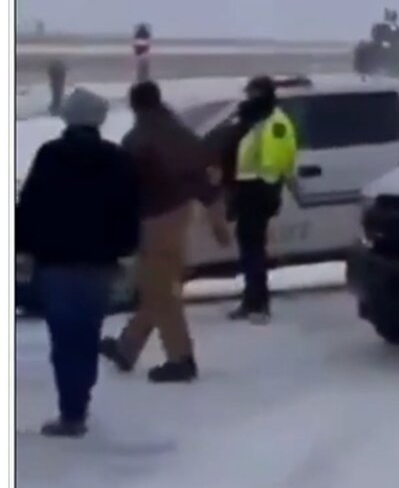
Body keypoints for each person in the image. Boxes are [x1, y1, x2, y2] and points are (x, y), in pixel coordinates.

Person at [16, 88, 141, 437]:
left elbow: (31, 205)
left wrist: (22, 247)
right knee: (87, 336)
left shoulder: (51, 156)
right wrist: (124, 248)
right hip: (100, 262)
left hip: (56, 261)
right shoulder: (117, 160)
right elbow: (130, 209)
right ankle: (79, 405)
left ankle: (69, 411)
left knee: (63, 338)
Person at [99, 81, 230, 383]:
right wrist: (215, 220)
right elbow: (202, 176)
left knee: (161, 290)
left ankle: (180, 358)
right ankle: (127, 347)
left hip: (154, 219)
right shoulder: (180, 132)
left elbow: (124, 190)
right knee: (156, 285)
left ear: (134, 106)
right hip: (181, 213)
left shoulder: (138, 139)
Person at [226, 75, 299, 324]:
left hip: (260, 191)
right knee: (249, 249)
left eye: (253, 93)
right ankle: (251, 300)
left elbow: (282, 158)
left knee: (254, 249)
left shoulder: (274, 122)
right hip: (248, 190)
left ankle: (259, 303)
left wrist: (272, 183)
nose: (249, 97)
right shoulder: (251, 119)